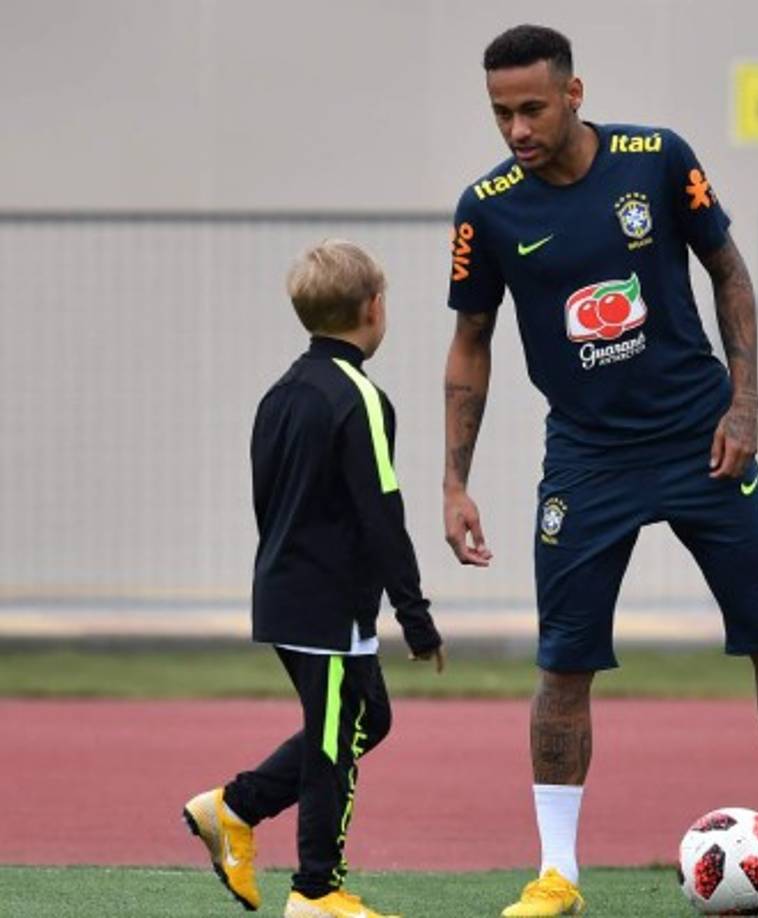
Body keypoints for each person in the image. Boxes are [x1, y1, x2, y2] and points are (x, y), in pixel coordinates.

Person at [442, 24, 758, 918]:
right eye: (501, 113)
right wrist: (454, 481)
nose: (517, 129)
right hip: (586, 459)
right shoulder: (486, 208)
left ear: (574, 93)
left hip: (700, 439)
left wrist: (745, 404)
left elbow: (729, 272)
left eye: (532, 108)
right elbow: (471, 340)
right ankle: (558, 875)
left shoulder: (658, 159)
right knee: (563, 665)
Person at [185, 239, 444, 918]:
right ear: (374, 307)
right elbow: (383, 513)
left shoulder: (280, 394)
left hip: (287, 591)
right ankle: (316, 890)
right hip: (327, 606)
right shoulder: (361, 397)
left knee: (367, 719)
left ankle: (233, 808)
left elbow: (266, 498)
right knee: (333, 742)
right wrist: (415, 615)